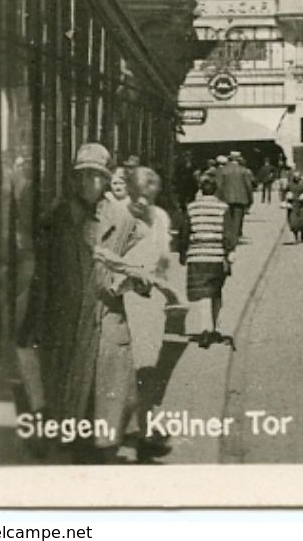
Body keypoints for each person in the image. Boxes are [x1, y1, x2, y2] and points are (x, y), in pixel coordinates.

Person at [19, 142, 141, 463]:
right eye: (82, 175)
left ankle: (113, 448)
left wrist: (127, 276)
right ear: (73, 179)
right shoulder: (56, 218)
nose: (89, 182)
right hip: (68, 319)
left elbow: (147, 265)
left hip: (105, 317)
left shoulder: (123, 219)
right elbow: (41, 275)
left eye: (96, 176)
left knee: (106, 398)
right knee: (71, 402)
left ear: (106, 179)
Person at [120, 166, 180, 461]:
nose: (143, 201)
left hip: (152, 302)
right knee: (130, 367)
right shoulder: (118, 216)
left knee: (148, 369)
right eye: (138, 194)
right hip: (124, 300)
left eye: (149, 195)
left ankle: (140, 427)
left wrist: (169, 293)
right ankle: (133, 432)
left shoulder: (161, 218)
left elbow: (164, 260)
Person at [179, 171, 237, 348]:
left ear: (200, 190)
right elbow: (229, 234)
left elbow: (184, 232)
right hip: (217, 256)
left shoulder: (191, 208)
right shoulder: (223, 208)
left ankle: (205, 329)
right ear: (216, 190)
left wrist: (183, 252)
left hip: (197, 256)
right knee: (216, 292)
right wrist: (229, 251)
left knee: (203, 294)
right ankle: (217, 329)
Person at [216, 152, 255, 249]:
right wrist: (250, 199)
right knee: (238, 220)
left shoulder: (223, 170)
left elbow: (219, 186)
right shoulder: (243, 171)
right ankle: (235, 239)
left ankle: (228, 238)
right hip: (241, 199)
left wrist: (218, 198)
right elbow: (248, 186)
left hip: (226, 198)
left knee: (228, 219)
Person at [283, 171, 303, 243]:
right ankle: (296, 236)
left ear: (300, 177)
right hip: (293, 204)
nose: (296, 178)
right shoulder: (290, 184)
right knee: (293, 221)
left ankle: (302, 233)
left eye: (297, 177)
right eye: (295, 177)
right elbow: (284, 191)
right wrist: (287, 195)